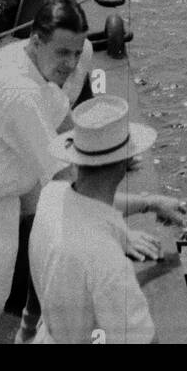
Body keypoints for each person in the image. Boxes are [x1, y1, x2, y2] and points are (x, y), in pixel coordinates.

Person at [0, 0, 182, 344]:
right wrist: (132, 219)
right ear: (36, 40)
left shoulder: (21, 56)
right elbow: (77, 190)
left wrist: (98, 143)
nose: (72, 62)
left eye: (77, 52)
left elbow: (61, 118)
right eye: (63, 53)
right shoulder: (20, 95)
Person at [27, 95, 162, 344]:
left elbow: (90, 210)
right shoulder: (106, 258)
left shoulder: (50, 196)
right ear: (127, 162)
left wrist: (150, 202)